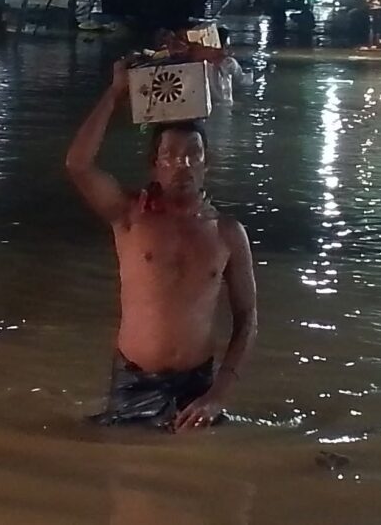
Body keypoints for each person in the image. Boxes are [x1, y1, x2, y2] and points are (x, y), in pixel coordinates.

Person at [65, 60, 258, 432]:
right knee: (119, 462)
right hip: (135, 380)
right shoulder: (129, 215)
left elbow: (247, 317)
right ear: (154, 165)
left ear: (207, 164)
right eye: (170, 155)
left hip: (197, 385)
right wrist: (115, 93)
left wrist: (219, 394)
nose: (182, 164)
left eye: (193, 155)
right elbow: (78, 164)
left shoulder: (228, 233)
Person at [211, 27, 253, 105]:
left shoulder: (200, 66)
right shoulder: (229, 63)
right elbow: (243, 81)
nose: (231, 52)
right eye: (227, 47)